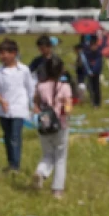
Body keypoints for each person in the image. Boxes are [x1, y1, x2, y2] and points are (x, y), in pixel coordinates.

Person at [0, 39, 34, 172]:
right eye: (0, 54)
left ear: (14, 53)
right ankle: (10, 162)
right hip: (4, 111)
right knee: (7, 137)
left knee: (15, 137)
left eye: (5, 53)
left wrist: (34, 105)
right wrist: (2, 101)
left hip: (19, 109)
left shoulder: (23, 70)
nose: (2, 56)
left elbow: (30, 88)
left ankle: (15, 166)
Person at [33, 56, 72, 199]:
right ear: (61, 70)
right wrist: (66, 113)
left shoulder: (40, 86)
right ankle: (57, 189)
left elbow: (36, 105)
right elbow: (68, 107)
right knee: (60, 157)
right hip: (60, 125)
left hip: (44, 124)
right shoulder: (65, 87)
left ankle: (41, 172)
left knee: (47, 154)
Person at [79, 33, 107, 108]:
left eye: (95, 45)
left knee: (97, 88)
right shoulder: (87, 52)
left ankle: (97, 102)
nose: (94, 47)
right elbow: (85, 61)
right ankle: (93, 102)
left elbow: (98, 63)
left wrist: (104, 36)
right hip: (89, 73)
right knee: (91, 88)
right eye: (92, 45)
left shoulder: (98, 53)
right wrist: (89, 71)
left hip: (96, 73)